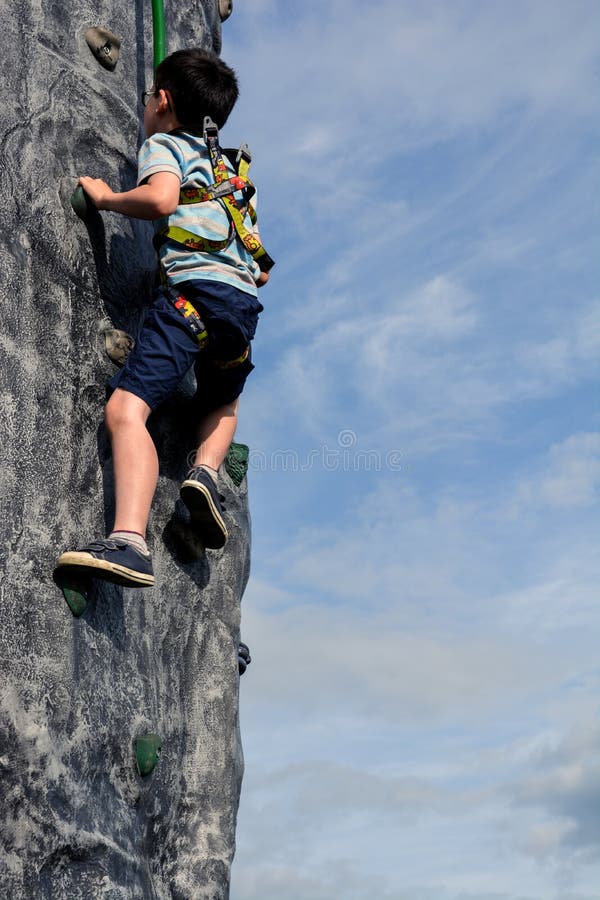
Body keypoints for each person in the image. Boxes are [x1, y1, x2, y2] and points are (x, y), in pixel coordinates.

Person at [54, 48, 271, 588]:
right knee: (223, 400)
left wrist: (106, 199)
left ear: (163, 100)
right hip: (241, 308)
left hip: (189, 301)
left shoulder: (165, 144)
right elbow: (260, 269)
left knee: (128, 410)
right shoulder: (236, 174)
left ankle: (128, 540)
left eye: (150, 95)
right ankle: (205, 473)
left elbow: (162, 200)